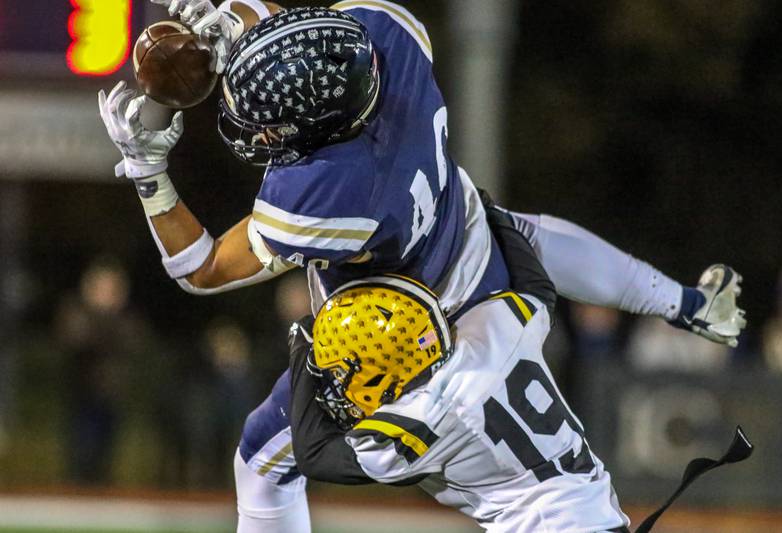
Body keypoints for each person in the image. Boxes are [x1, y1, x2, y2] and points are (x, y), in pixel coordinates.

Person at [98, 1, 746, 530]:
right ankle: (685, 302)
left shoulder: (331, 198)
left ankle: (682, 302)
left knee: (263, 456)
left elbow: (203, 267)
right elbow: (304, 33)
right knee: (511, 225)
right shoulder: (385, 36)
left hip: (409, 340)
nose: (256, 133)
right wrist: (238, 25)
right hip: (463, 253)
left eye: (271, 127)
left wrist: (148, 170)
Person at [288, 275, 630, 532]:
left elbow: (315, 455)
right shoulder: (493, 325)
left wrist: (302, 342)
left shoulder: (427, 413)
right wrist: (482, 208)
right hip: (600, 515)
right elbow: (536, 284)